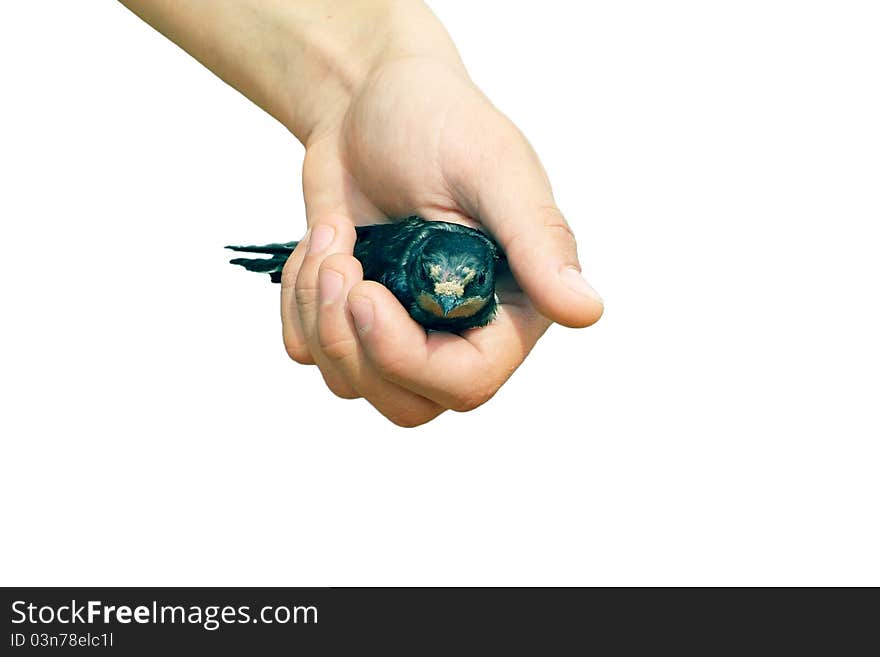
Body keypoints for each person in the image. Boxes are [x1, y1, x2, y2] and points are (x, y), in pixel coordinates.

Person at [121, 0, 604, 426]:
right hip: (368, 243)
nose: (448, 300)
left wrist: (373, 70)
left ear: (488, 273)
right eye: (433, 282)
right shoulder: (399, 274)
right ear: (416, 271)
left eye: (465, 287)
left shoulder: (494, 258)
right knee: (310, 270)